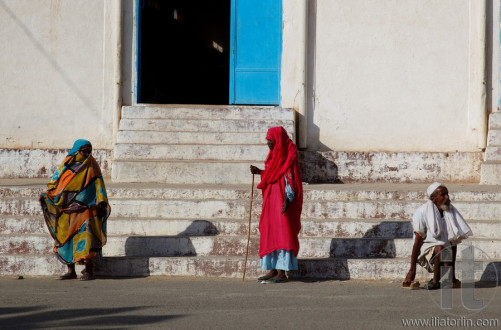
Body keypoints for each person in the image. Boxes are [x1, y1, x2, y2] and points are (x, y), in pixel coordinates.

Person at [40, 139, 111, 281]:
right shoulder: (64, 167)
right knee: (66, 240)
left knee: (87, 240)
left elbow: (99, 184)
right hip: (66, 210)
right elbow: (54, 184)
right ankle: (70, 270)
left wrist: (102, 202)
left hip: (87, 210)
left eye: (88, 151)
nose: (86, 154)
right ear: (76, 151)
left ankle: (88, 270)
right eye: (84, 151)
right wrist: (49, 196)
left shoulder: (92, 166)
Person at [250, 126, 303, 283]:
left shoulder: (289, 154)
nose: (269, 144)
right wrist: (260, 172)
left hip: (282, 198)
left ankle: (282, 271)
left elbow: (290, 178)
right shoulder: (273, 155)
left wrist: (288, 199)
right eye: (267, 141)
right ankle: (272, 269)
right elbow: (272, 175)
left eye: (271, 141)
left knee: (283, 232)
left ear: (278, 140)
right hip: (270, 198)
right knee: (269, 230)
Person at [402, 182, 472, 290]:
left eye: (447, 194)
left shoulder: (449, 211)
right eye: (443, 195)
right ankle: (435, 281)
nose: (447, 197)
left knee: (453, 241)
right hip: (426, 251)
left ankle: (451, 278)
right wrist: (412, 271)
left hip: (444, 252)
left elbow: (454, 239)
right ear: (433, 198)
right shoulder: (421, 212)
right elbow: (417, 241)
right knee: (440, 247)